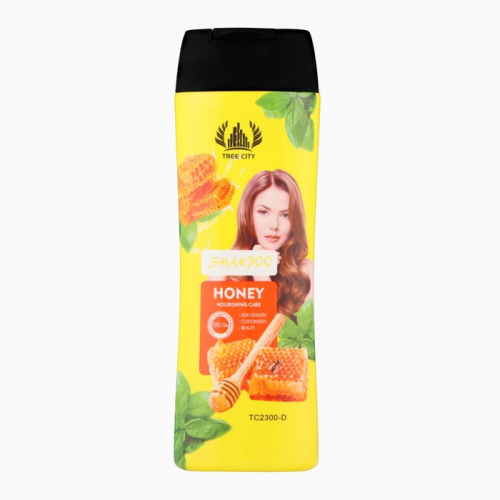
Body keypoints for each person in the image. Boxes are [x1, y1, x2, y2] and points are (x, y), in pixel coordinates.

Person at [208, 169, 313, 318]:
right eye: (263, 212)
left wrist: (262, 277)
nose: (274, 225)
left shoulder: (306, 271)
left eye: (285, 215)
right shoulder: (223, 269)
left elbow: (276, 332)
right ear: (248, 214)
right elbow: (207, 329)